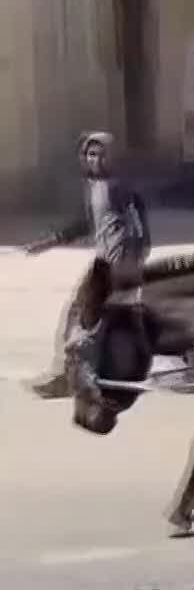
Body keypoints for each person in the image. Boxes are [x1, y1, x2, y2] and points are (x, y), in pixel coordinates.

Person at [23, 132, 152, 399]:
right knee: (86, 318)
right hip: (104, 261)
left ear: (112, 157)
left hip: (117, 264)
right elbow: (86, 223)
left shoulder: (120, 187)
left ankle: (72, 378)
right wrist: (48, 242)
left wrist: (131, 263)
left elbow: (139, 228)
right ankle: (78, 374)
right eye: (91, 154)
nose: (96, 159)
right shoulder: (93, 186)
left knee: (83, 319)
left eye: (102, 154)